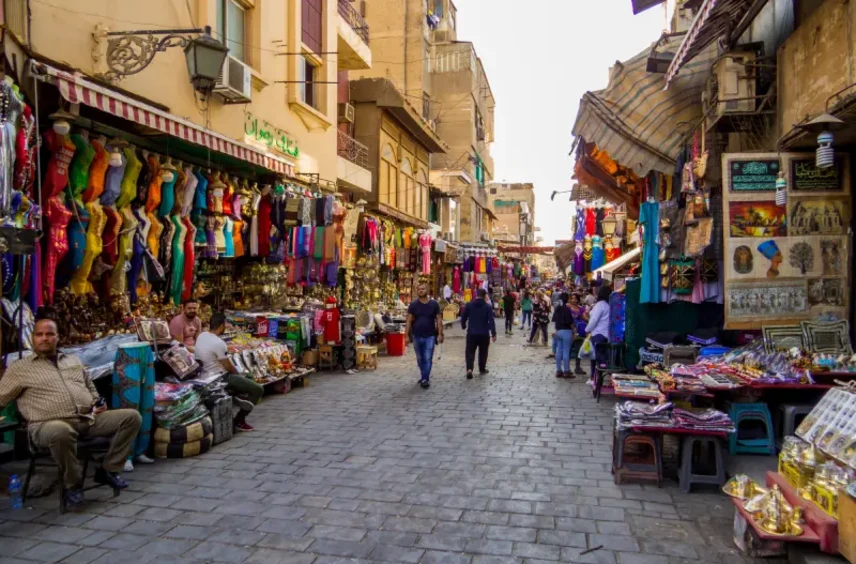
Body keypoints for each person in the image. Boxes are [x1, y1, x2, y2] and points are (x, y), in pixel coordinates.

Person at [0, 318, 141, 507]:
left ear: (58, 337)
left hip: (86, 419)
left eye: (50, 334)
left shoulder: (72, 360)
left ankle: (108, 470)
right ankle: (72, 484)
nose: (44, 338)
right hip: (46, 425)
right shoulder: (20, 369)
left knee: (131, 417)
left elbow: (89, 386)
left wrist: (96, 402)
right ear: (33, 338)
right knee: (61, 431)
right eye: (39, 334)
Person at [195, 313, 263, 431]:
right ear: (221, 326)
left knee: (249, 376)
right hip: (220, 377)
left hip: (204, 375)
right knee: (258, 389)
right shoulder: (218, 343)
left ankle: (240, 396)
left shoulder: (202, 336)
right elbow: (228, 366)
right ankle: (240, 420)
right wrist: (238, 374)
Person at [406, 283, 444, 389]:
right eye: (419, 289)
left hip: (430, 336)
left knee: (427, 358)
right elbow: (408, 321)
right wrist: (406, 336)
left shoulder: (434, 304)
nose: (421, 291)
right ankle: (424, 375)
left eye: (423, 289)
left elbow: (439, 319)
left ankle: (425, 379)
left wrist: (440, 334)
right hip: (416, 336)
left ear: (427, 290)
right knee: (419, 358)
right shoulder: (413, 305)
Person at [461, 288, 497, 379]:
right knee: (483, 352)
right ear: (485, 296)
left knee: (470, 351)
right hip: (484, 333)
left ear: (476, 295)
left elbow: (463, 316)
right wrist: (493, 333)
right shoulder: (488, 307)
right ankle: (482, 368)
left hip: (472, 333)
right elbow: (491, 320)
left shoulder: (469, 305)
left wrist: (463, 325)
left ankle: (469, 369)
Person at [585, 285, 612, 379]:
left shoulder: (600, 305)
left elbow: (594, 320)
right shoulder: (607, 305)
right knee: (602, 356)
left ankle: (595, 377)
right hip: (605, 334)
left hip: (598, 334)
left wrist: (587, 329)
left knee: (595, 357)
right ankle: (600, 374)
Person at [552, 292, 575, 378]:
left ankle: (558, 370)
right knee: (566, 351)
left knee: (559, 351)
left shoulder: (557, 308)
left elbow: (554, 319)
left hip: (558, 331)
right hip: (566, 331)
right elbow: (571, 322)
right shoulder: (567, 309)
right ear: (567, 299)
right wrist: (574, 331)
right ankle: (566, 370)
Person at [568, 293, 588, 376]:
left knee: (578, 350)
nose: (574, 300)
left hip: (579, 332)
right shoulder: (567, 308)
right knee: (567, 350)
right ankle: (566, 368)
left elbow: (586, 318)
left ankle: (577, 367)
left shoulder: (581, 308)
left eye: (575, 298)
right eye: (572, 298)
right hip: (569, 331)